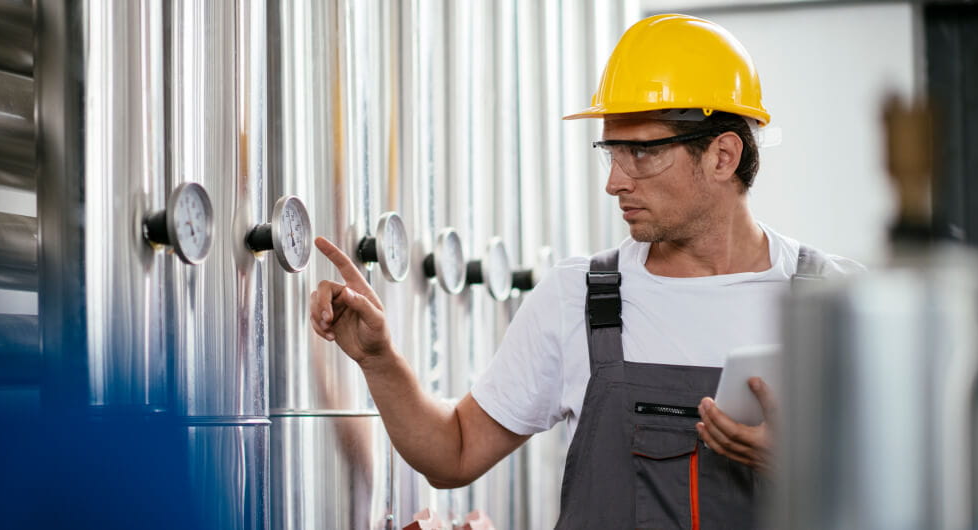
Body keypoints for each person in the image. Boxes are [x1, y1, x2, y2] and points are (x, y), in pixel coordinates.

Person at [310, 13, 861, 529]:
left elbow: (926, 491)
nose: (615, 183)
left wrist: (808, 466)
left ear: (722, 156)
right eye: (611, 153)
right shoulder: (579, 298)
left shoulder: (838, 304)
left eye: (642, 155)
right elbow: (452, 454)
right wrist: (379, 360)